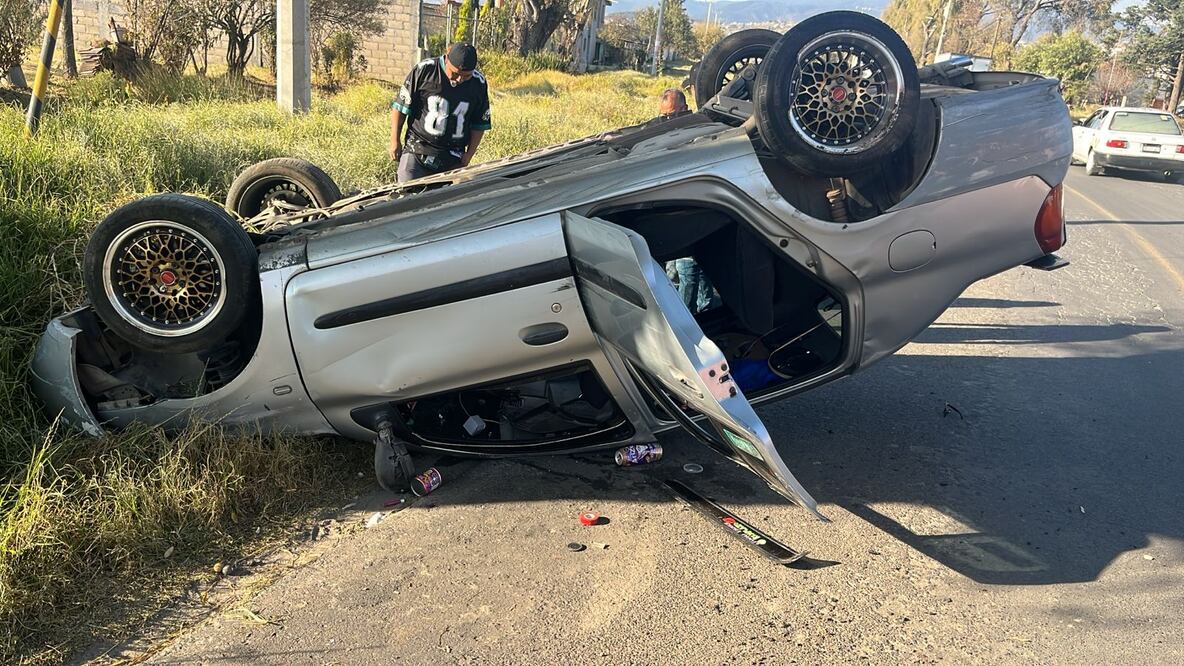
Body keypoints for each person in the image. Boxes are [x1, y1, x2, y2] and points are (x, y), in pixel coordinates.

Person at [390, 43, 491, 182]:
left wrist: (470, 154)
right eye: (455, 73)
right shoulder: (425, 70)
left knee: (448, 202)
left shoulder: (478, 83)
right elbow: (400, 108)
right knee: (408, 198)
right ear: (447, 59)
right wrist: (394, 140)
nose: (460, 79)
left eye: (466, 76)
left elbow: (479, 123)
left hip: (453, 157)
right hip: (418, 148)